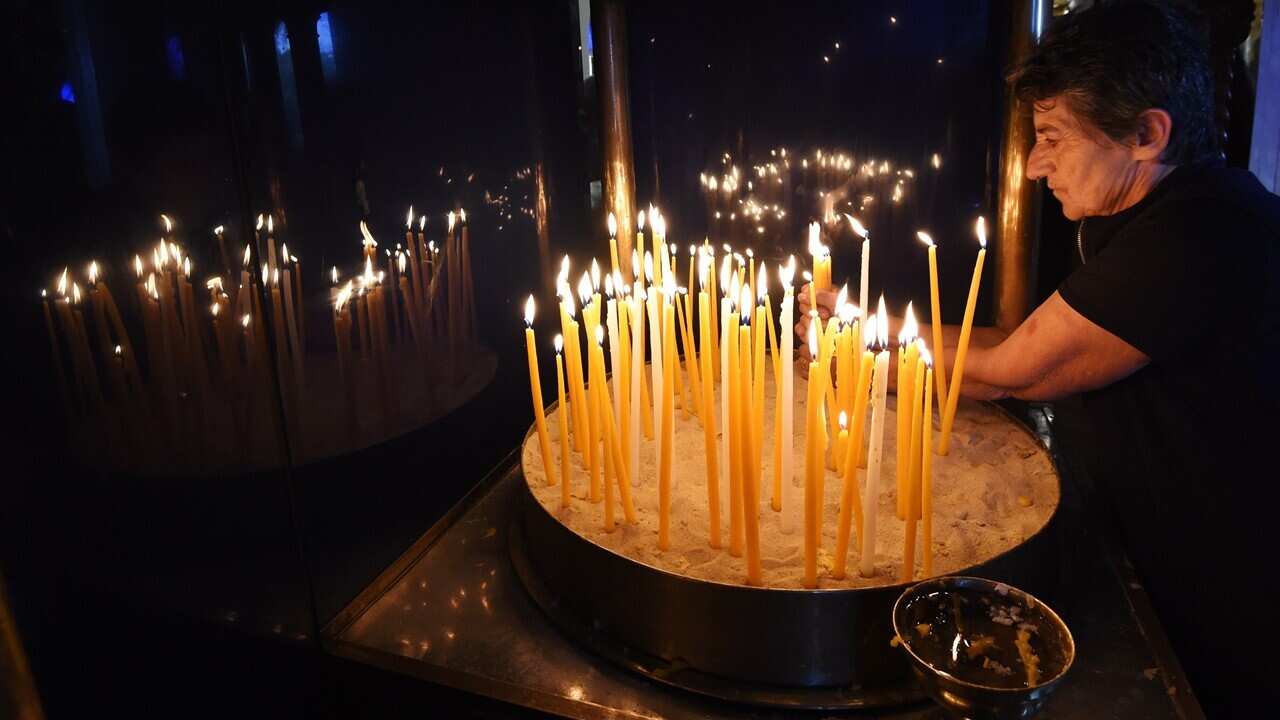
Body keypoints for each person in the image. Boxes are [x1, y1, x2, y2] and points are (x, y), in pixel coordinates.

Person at [799, 1, 1278, 712]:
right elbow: (1011, 349)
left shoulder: (1198, 233)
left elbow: (1020, 369)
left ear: (1147, 134)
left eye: (1051, 137)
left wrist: (867, 340)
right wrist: (868, 341)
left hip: (1220, 603)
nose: (1030, 166)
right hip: (1146, 552)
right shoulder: (1143, 213)